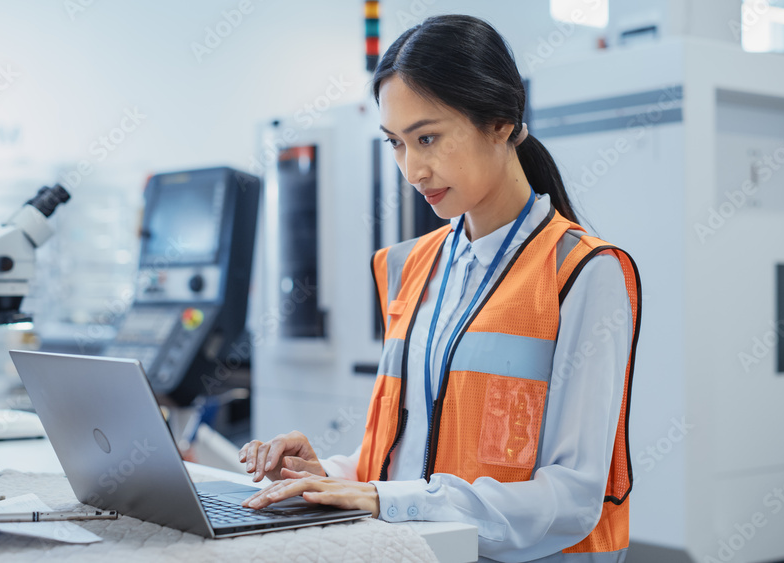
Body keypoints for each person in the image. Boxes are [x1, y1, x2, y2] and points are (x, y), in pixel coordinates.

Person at [239, 14, 641, 563]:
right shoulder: (409, 265)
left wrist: (382, 498)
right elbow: (408, 458)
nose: (412, 169)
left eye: (427, 138)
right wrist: (330, 475)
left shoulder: (584, 272)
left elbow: (572, 497)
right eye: (396, 144)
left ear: (501, 123)